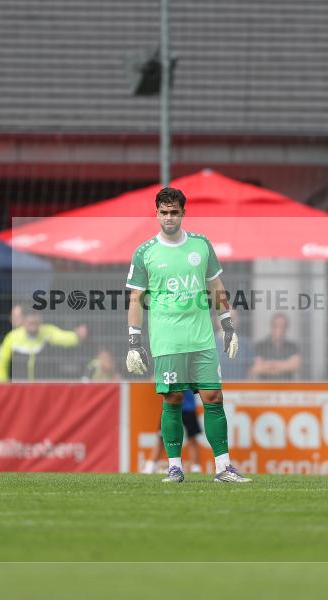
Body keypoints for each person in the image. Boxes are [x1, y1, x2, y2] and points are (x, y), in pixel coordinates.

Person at [125, 186, 249, 484]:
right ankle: (174, 467)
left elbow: (217, 288)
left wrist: (228, 326)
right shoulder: (145, 253)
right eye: (164, 212)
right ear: (156, 214)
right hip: (168, 341)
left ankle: (223, 468)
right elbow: (135, 299)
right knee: (172, 400)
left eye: (174, 212)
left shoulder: (201, 245)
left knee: (214, 396)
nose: (169, 218)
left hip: (202, 339)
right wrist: (134, 341)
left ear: (183, 213)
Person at [0, 310, 87, 381]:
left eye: (36, 322)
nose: (33, 325)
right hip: (19, 389)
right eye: (30, 322)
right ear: (24, 321)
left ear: (41, 320)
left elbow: (64, 337)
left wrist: (78, 336)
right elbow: (2, 363)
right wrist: (3, 386)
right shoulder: (12, 337)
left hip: (42, 389)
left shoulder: (47, 331)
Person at [142, 389, 203, 474]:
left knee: (192, 438)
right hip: (170, 407)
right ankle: (150, 467)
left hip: (188, 407)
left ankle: (196, 468)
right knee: (162, 437)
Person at [250, 313, 301, 380]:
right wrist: (286, 365)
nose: (280, 329)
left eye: (283, 326)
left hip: (286, 387)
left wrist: (269, 364)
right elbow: (257, 368)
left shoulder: (292, 346)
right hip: (266, 387)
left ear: (286, 327)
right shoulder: (261, 345)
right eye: (276, 326)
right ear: (272, 326)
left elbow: (295, 366)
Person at [215, 308, 253, 380]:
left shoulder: (245, 344)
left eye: (232, 318)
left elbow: (251, 370)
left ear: (238, 320)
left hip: (239, 388)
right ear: (217, 320)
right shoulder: (209, 344)